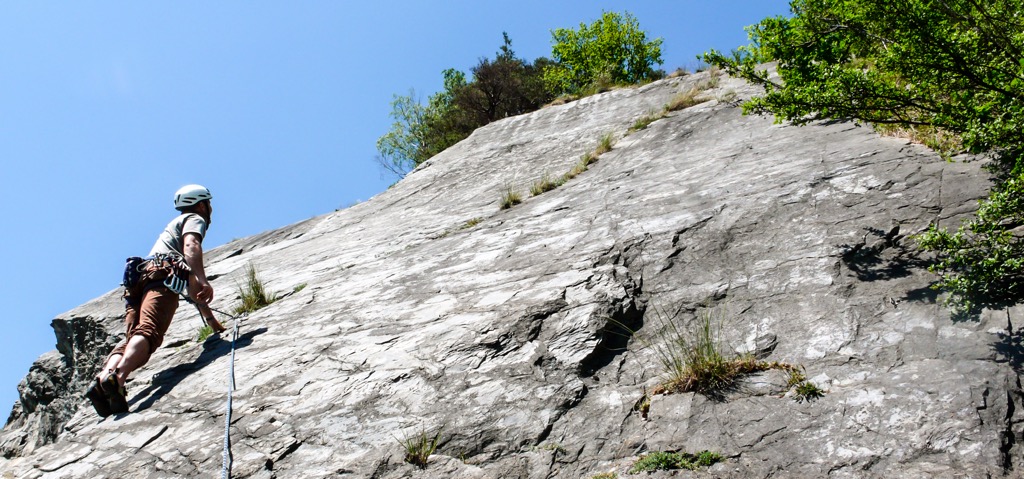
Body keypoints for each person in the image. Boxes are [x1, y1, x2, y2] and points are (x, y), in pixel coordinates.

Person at [86, 184, 226, 416]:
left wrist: (212, 323)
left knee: (135, 336)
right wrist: (203, 279)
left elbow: (192, 291)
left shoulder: (169, 230)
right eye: (208, 204)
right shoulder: (194, 218)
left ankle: (103, 378)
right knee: (148, 333)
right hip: (161, 275)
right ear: (202, 204)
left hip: (139, 279)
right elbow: (191, 246)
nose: (210, 208)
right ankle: (118, 379)